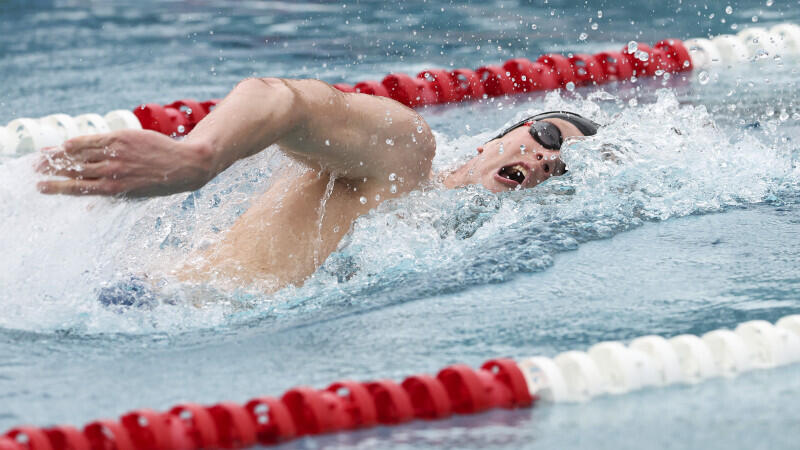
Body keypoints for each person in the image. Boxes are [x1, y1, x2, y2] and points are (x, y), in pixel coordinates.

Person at [35, 77, 598, 296]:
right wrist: (196, 158)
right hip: (140, 302)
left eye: (561, 166)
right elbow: (285, 102)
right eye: (548, 134)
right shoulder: (405, 154)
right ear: (490, 141)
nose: (548, 158)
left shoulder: (450, 242)